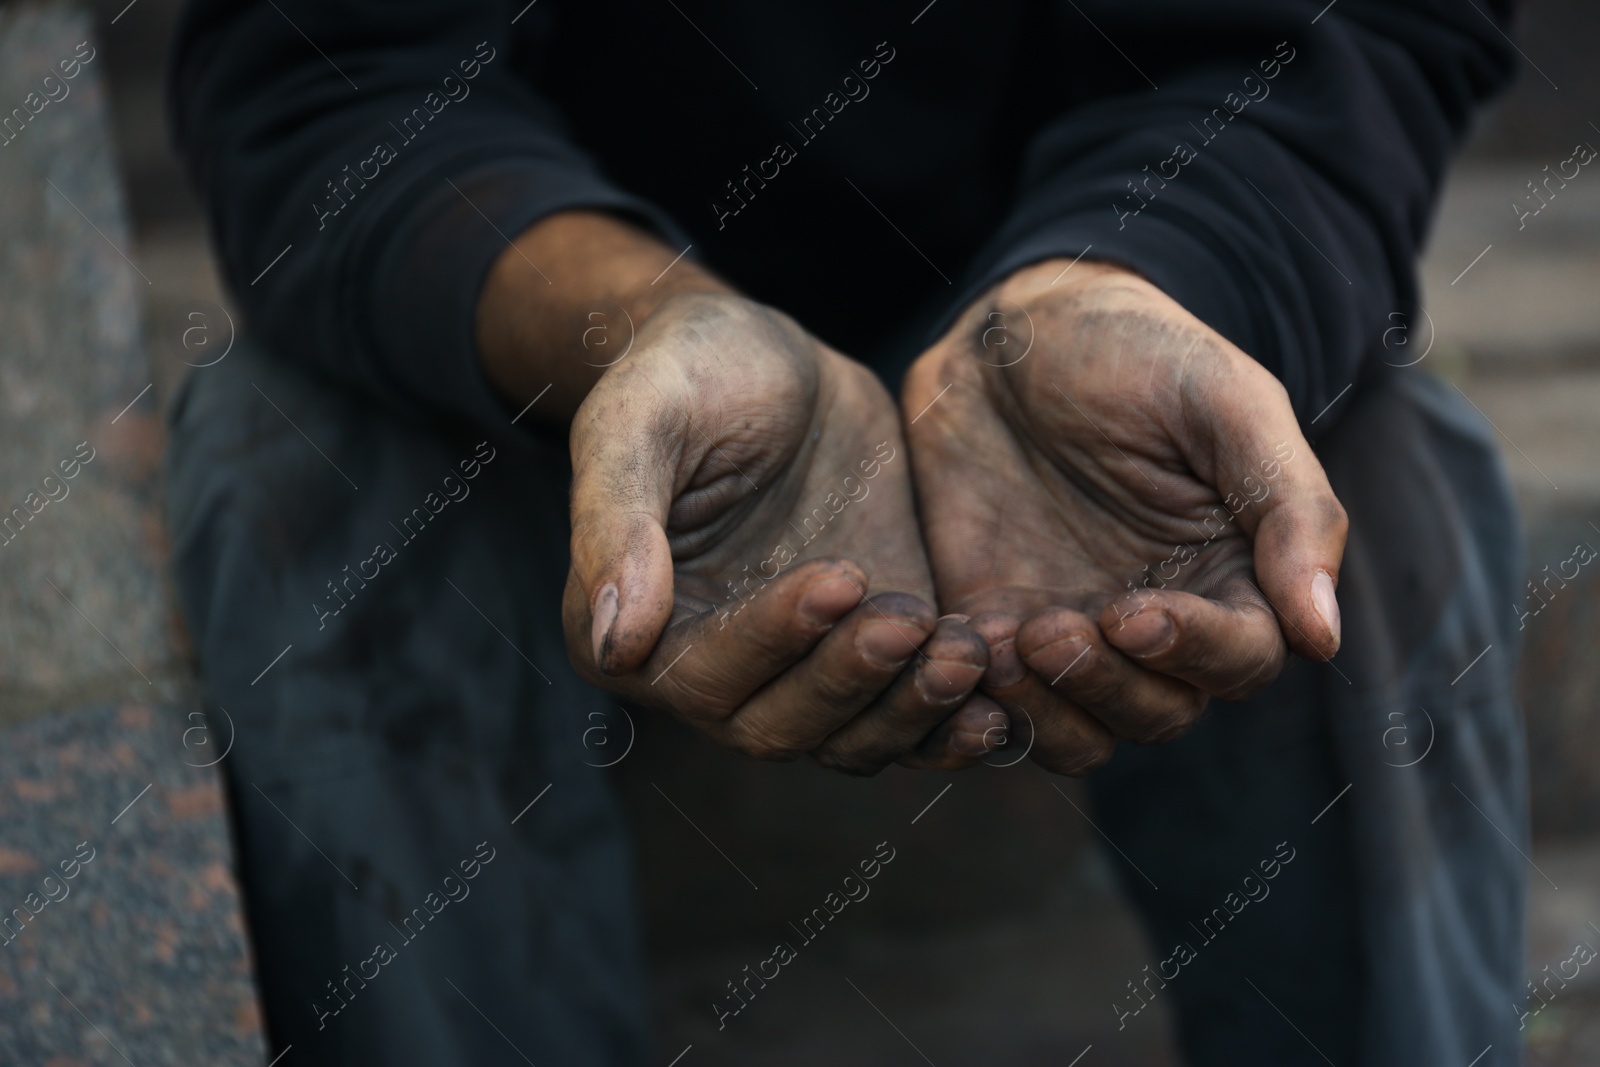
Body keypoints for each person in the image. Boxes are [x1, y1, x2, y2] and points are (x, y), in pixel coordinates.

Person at [165, 1, 1527, 1063]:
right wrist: (639, 328)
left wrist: (1129, 282)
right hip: (567, 330)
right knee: (289, 469)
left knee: (1370, 483)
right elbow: (327, 77)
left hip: (1076, 286)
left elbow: (1347, 36)